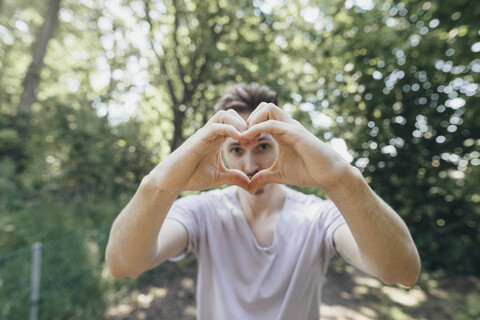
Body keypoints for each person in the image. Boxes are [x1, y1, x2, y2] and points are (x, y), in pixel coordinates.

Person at [105, 83, 421, 319]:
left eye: (263, 147)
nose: (250, 164)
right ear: (222, 154)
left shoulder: (319, 216)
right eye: (237, 150)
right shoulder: (202, 212)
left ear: (282, 145)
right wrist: (161, 186)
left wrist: (340, 178)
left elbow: (400, 271)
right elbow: (123, 264)